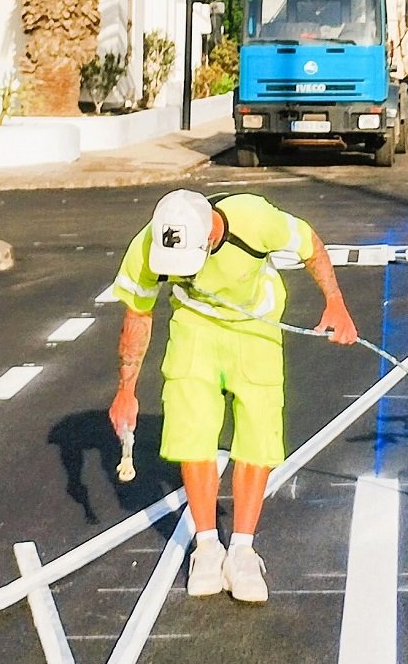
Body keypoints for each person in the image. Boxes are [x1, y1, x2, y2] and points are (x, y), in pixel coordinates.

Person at [108, 189, 358, 603]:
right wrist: (126, 390)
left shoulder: (255, 219)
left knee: (258, 434)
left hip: (254, 327)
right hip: (195, 326)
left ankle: (242, 548)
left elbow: (309, 242)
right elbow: (138, 313)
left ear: (209, 235)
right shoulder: (149, 245)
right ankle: (206, 546)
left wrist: (335, 302)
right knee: (191, 430)